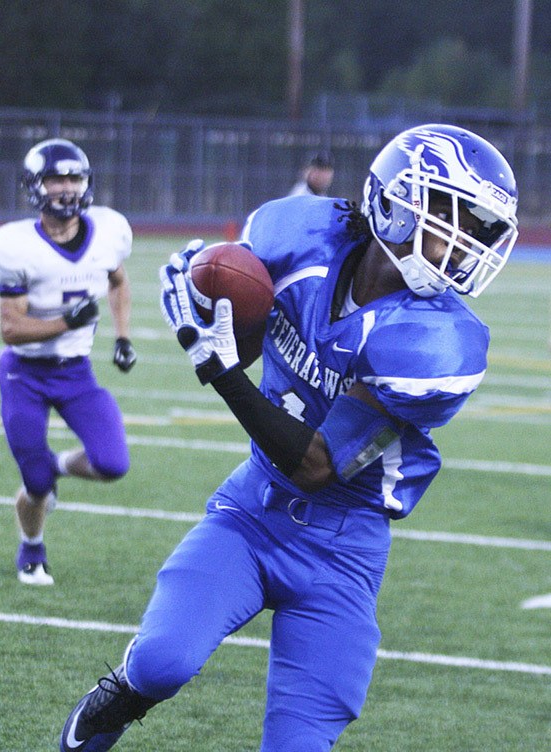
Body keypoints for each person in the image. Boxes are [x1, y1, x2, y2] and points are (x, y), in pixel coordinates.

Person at [58, 123, 518, 751]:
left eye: (474, 229)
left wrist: (222, 375)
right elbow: (244, 338)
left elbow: (316, 465)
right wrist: (211, 303)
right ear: (394, 202)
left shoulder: (438, 341)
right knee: (162, 661)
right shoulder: (299, 235)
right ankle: (122, 695)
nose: (462, 244)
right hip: (253, 510)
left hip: (344, 547)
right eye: (448, 218)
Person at [0, 138, 137, 586]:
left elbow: (118, 282)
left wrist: (122, 335)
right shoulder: (14, 244)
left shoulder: (108, 230)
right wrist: (66, 321)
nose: (66, 187)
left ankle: (55, 466)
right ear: (36, 187)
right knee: (34, 485)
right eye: (56, 178)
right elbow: (11, 328)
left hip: (76, 372)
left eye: (74, 177)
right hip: (24, 373)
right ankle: (32, 549)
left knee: (112, 463)